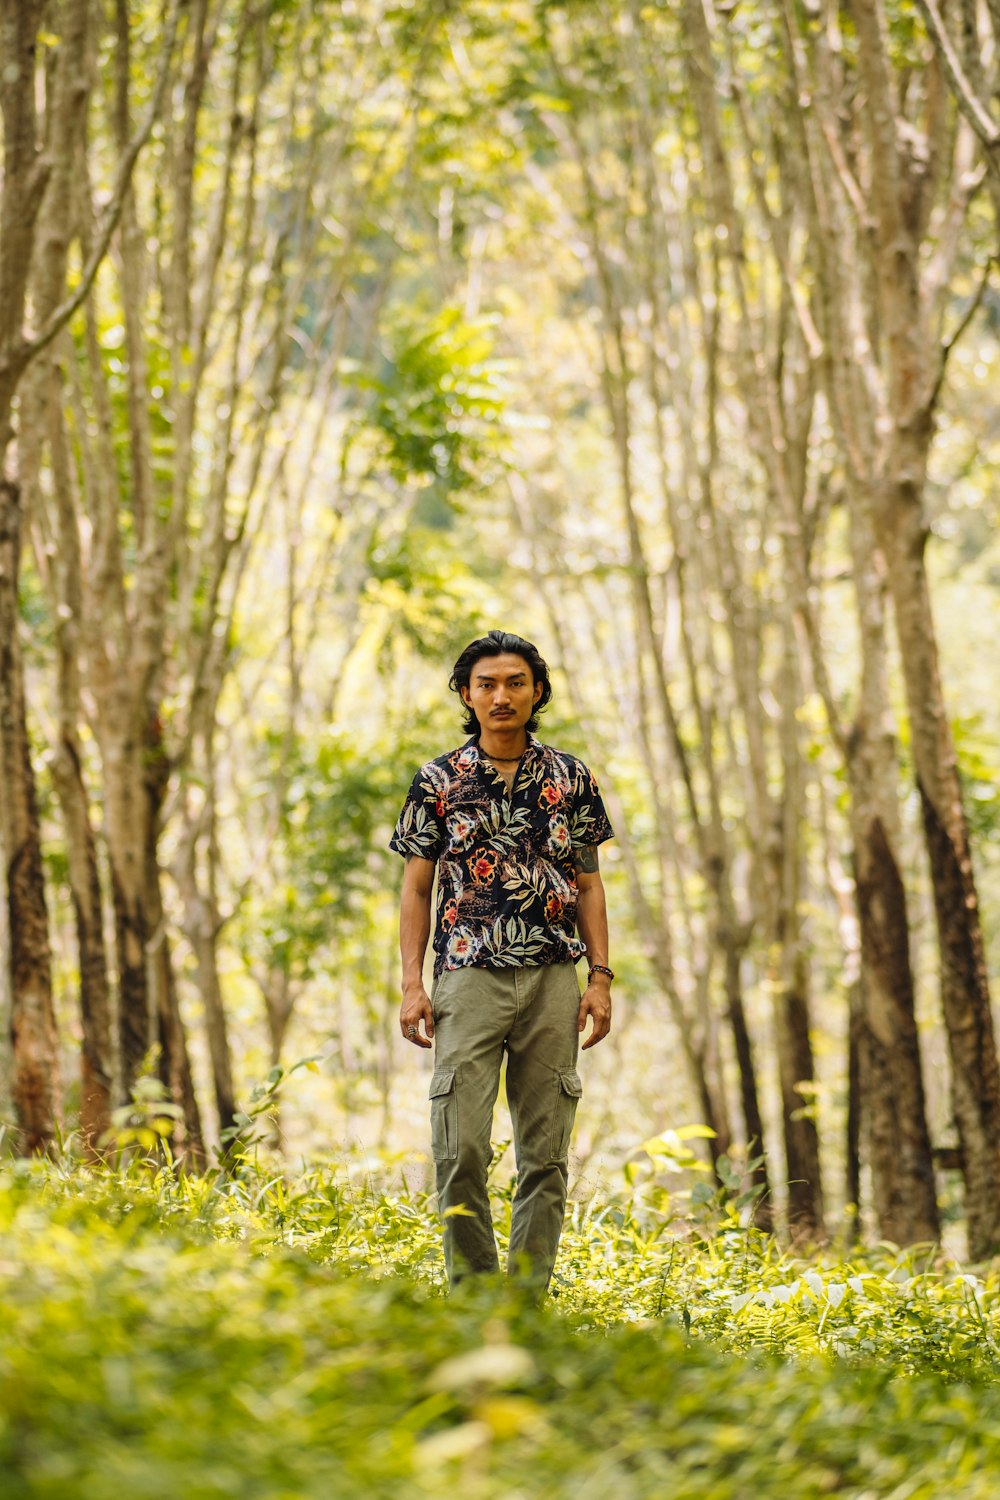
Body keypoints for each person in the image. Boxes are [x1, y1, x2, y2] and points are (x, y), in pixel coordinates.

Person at [389, 628, 615, 1291]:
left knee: (544, 1156)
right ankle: (475, 1294)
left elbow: (590, 882)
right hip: (466, 977)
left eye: (516, 682)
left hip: (553, 978)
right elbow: (415, 887)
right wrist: (411, 983)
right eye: (486, 684)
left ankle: (525, 1302)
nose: (501, 695)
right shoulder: (437, 779)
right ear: (466, 693)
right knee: (458, 1146)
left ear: (537, 692)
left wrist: (599, 978)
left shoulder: (571, 777)